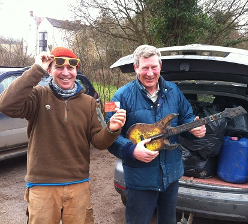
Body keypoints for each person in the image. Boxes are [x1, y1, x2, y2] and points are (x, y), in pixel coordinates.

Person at [0, 47, 126, 224]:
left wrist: (111, 130)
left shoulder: (88, 103)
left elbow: (98, 141)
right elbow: (6, 105)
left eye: (71, 67)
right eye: (59, 67)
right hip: (42, 186)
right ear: (49, 70)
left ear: (77, 70)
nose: (65, 72)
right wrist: (36, 69)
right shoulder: (37, 96)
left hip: (78, 184)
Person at [106, 45, 206, 224]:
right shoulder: (119, 96)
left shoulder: (174, 91)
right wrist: (131, 151)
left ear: (160, 65)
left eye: (154, 67)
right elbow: (108, 135)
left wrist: (194, 130)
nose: (150, 73)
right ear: (136, 67)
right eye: (145, 68)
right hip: (139, 179)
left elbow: (187, 118)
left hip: (171, 175)